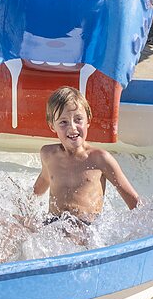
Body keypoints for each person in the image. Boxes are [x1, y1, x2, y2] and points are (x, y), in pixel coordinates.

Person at [34, 87, 140, 224]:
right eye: (63, 122)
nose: (72, 127)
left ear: (88, 120)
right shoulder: (48, 155)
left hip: (86, 227)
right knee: (13, 226)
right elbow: (39, 188)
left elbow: (134, 201)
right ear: (52, 126)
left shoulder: (100, 159)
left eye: (78, 119)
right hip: (53, 225)